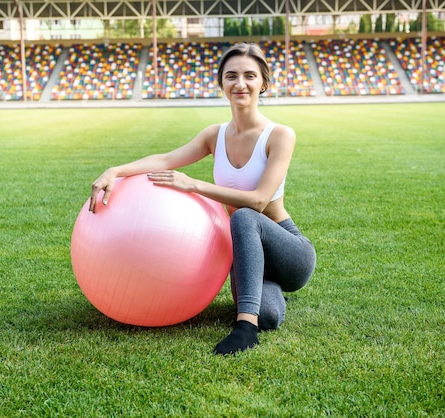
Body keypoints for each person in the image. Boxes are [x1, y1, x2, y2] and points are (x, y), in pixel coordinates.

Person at [89, 43, 316, 355]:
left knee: (244, 215)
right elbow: (167, 158)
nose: (240, 84)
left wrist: (194, 185)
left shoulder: (280, 135)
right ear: (221, 82)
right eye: (231, 76)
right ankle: (260, 309)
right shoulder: (215, 135)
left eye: (250, 76)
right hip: (247, 252)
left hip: (289, 252)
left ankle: (245, 328)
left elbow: (260, 200)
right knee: (270, 315)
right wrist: (115, 170)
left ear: (264, 83)